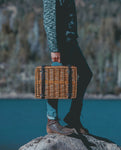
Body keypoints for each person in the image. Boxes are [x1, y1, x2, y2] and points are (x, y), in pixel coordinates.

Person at [43, 0, 93, 135]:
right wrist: (54, 49)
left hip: (70, 41)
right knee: (55, 79)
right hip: (60, 43)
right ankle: (52, 121)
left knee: (86, 74)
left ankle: (73, 116)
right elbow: (49, 19)